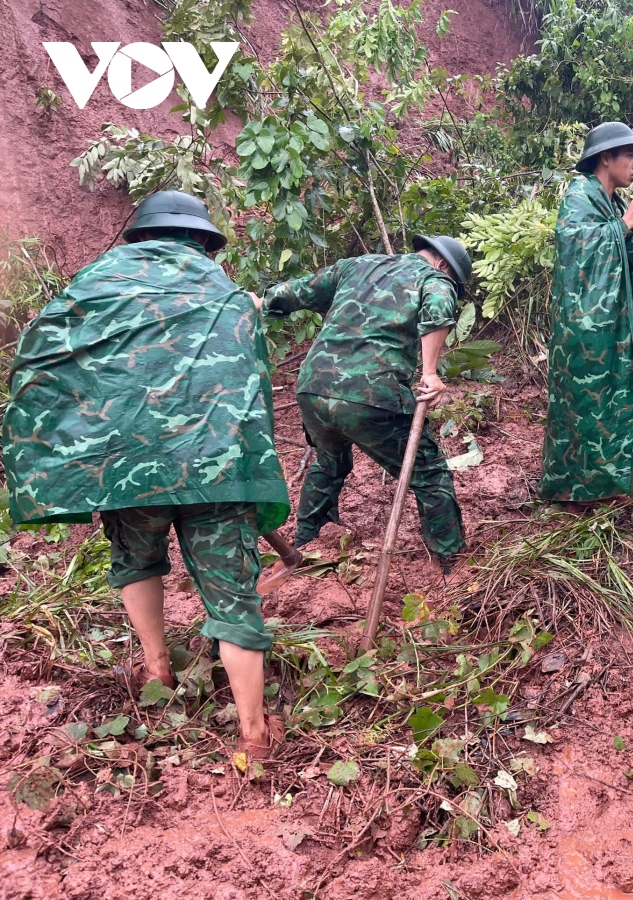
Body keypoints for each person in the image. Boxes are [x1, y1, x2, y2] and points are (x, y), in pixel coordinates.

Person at [1, 191, 290, 758]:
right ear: (203, 240)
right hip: (218, 468)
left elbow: (42, 351)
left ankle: (156, 669)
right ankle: (254, 734)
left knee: (136, 559)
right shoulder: (227, 293)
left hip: (126, 466)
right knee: (233, 599)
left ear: (141, 235)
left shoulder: (93, 281)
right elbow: (252, 378)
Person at [260, 235, 470, 569]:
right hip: (371, 394)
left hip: (313, 386)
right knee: (429, 474)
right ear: (443, 264)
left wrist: (257, 302)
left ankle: (307, 543)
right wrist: (429, 371)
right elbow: (439, 308)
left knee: (329, 463)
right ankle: (450, 560)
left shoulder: (358, 265)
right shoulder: (434, 278)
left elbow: (292, 292)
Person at [539, 122, 633, 504]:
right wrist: (626, 224)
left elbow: (628, 265)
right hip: (584, 329)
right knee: (585, 405)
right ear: (605, 158)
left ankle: (610, 487)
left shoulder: (610, 203)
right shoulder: (579, 196)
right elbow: (577, 254)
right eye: (629, 155)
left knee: (616, 401)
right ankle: (575, 491)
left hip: (615, 327)